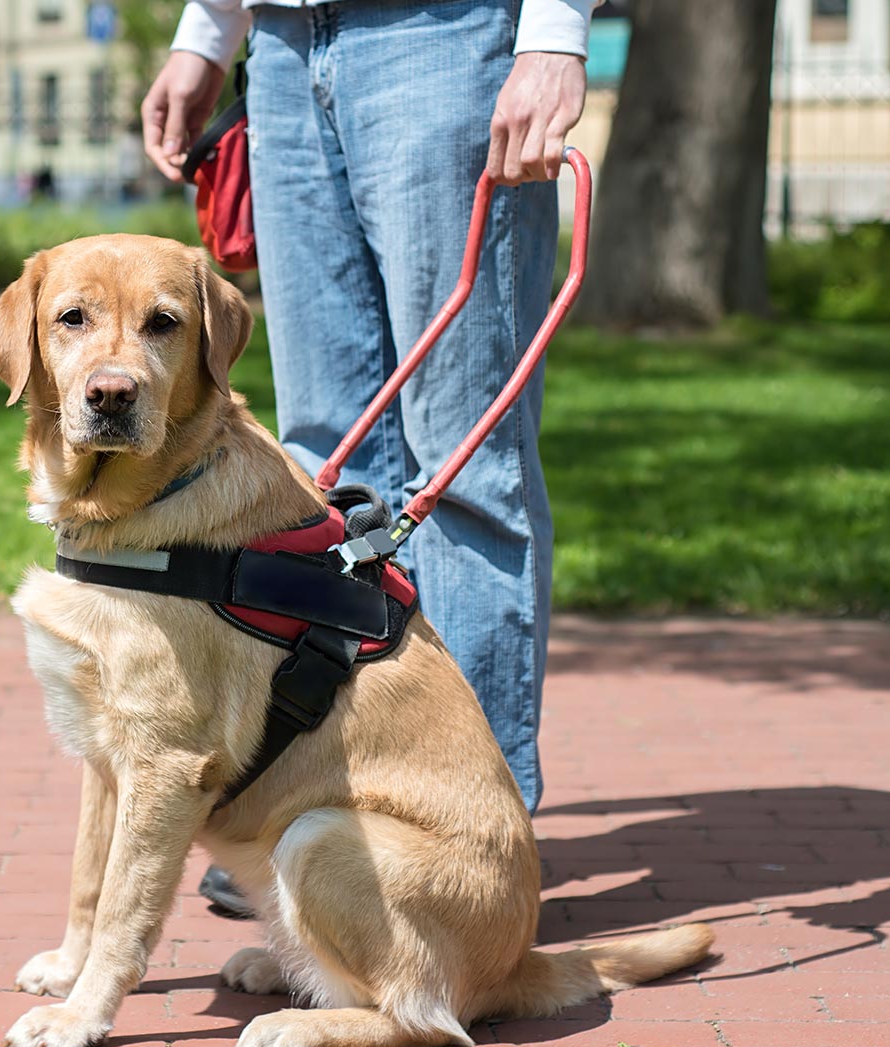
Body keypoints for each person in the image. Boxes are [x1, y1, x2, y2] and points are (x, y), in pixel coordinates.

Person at [140, 0, 592, 917]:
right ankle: (324, 811)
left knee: (463, 474)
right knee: (318, 474)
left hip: (442, 37)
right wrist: (208, 34)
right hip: (279, 48)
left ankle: (474, 853)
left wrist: (553, 35)